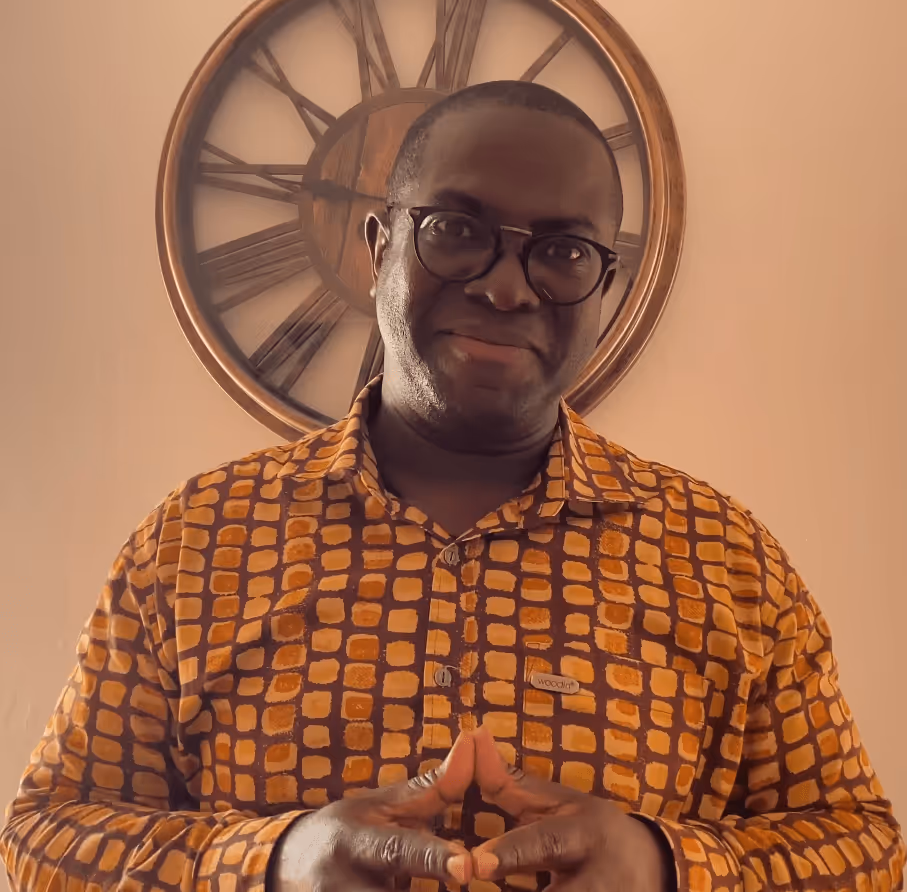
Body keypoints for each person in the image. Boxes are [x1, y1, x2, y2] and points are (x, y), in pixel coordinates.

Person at [1, 80, 903, 892]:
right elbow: (41, 840)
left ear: (605, 286)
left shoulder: (727, 558)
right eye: (458, 231)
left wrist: (666, 867)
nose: (508, 287)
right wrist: (271, 864)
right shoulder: (196, 540)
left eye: (562, 250)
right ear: (379, 244)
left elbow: (863, 848)